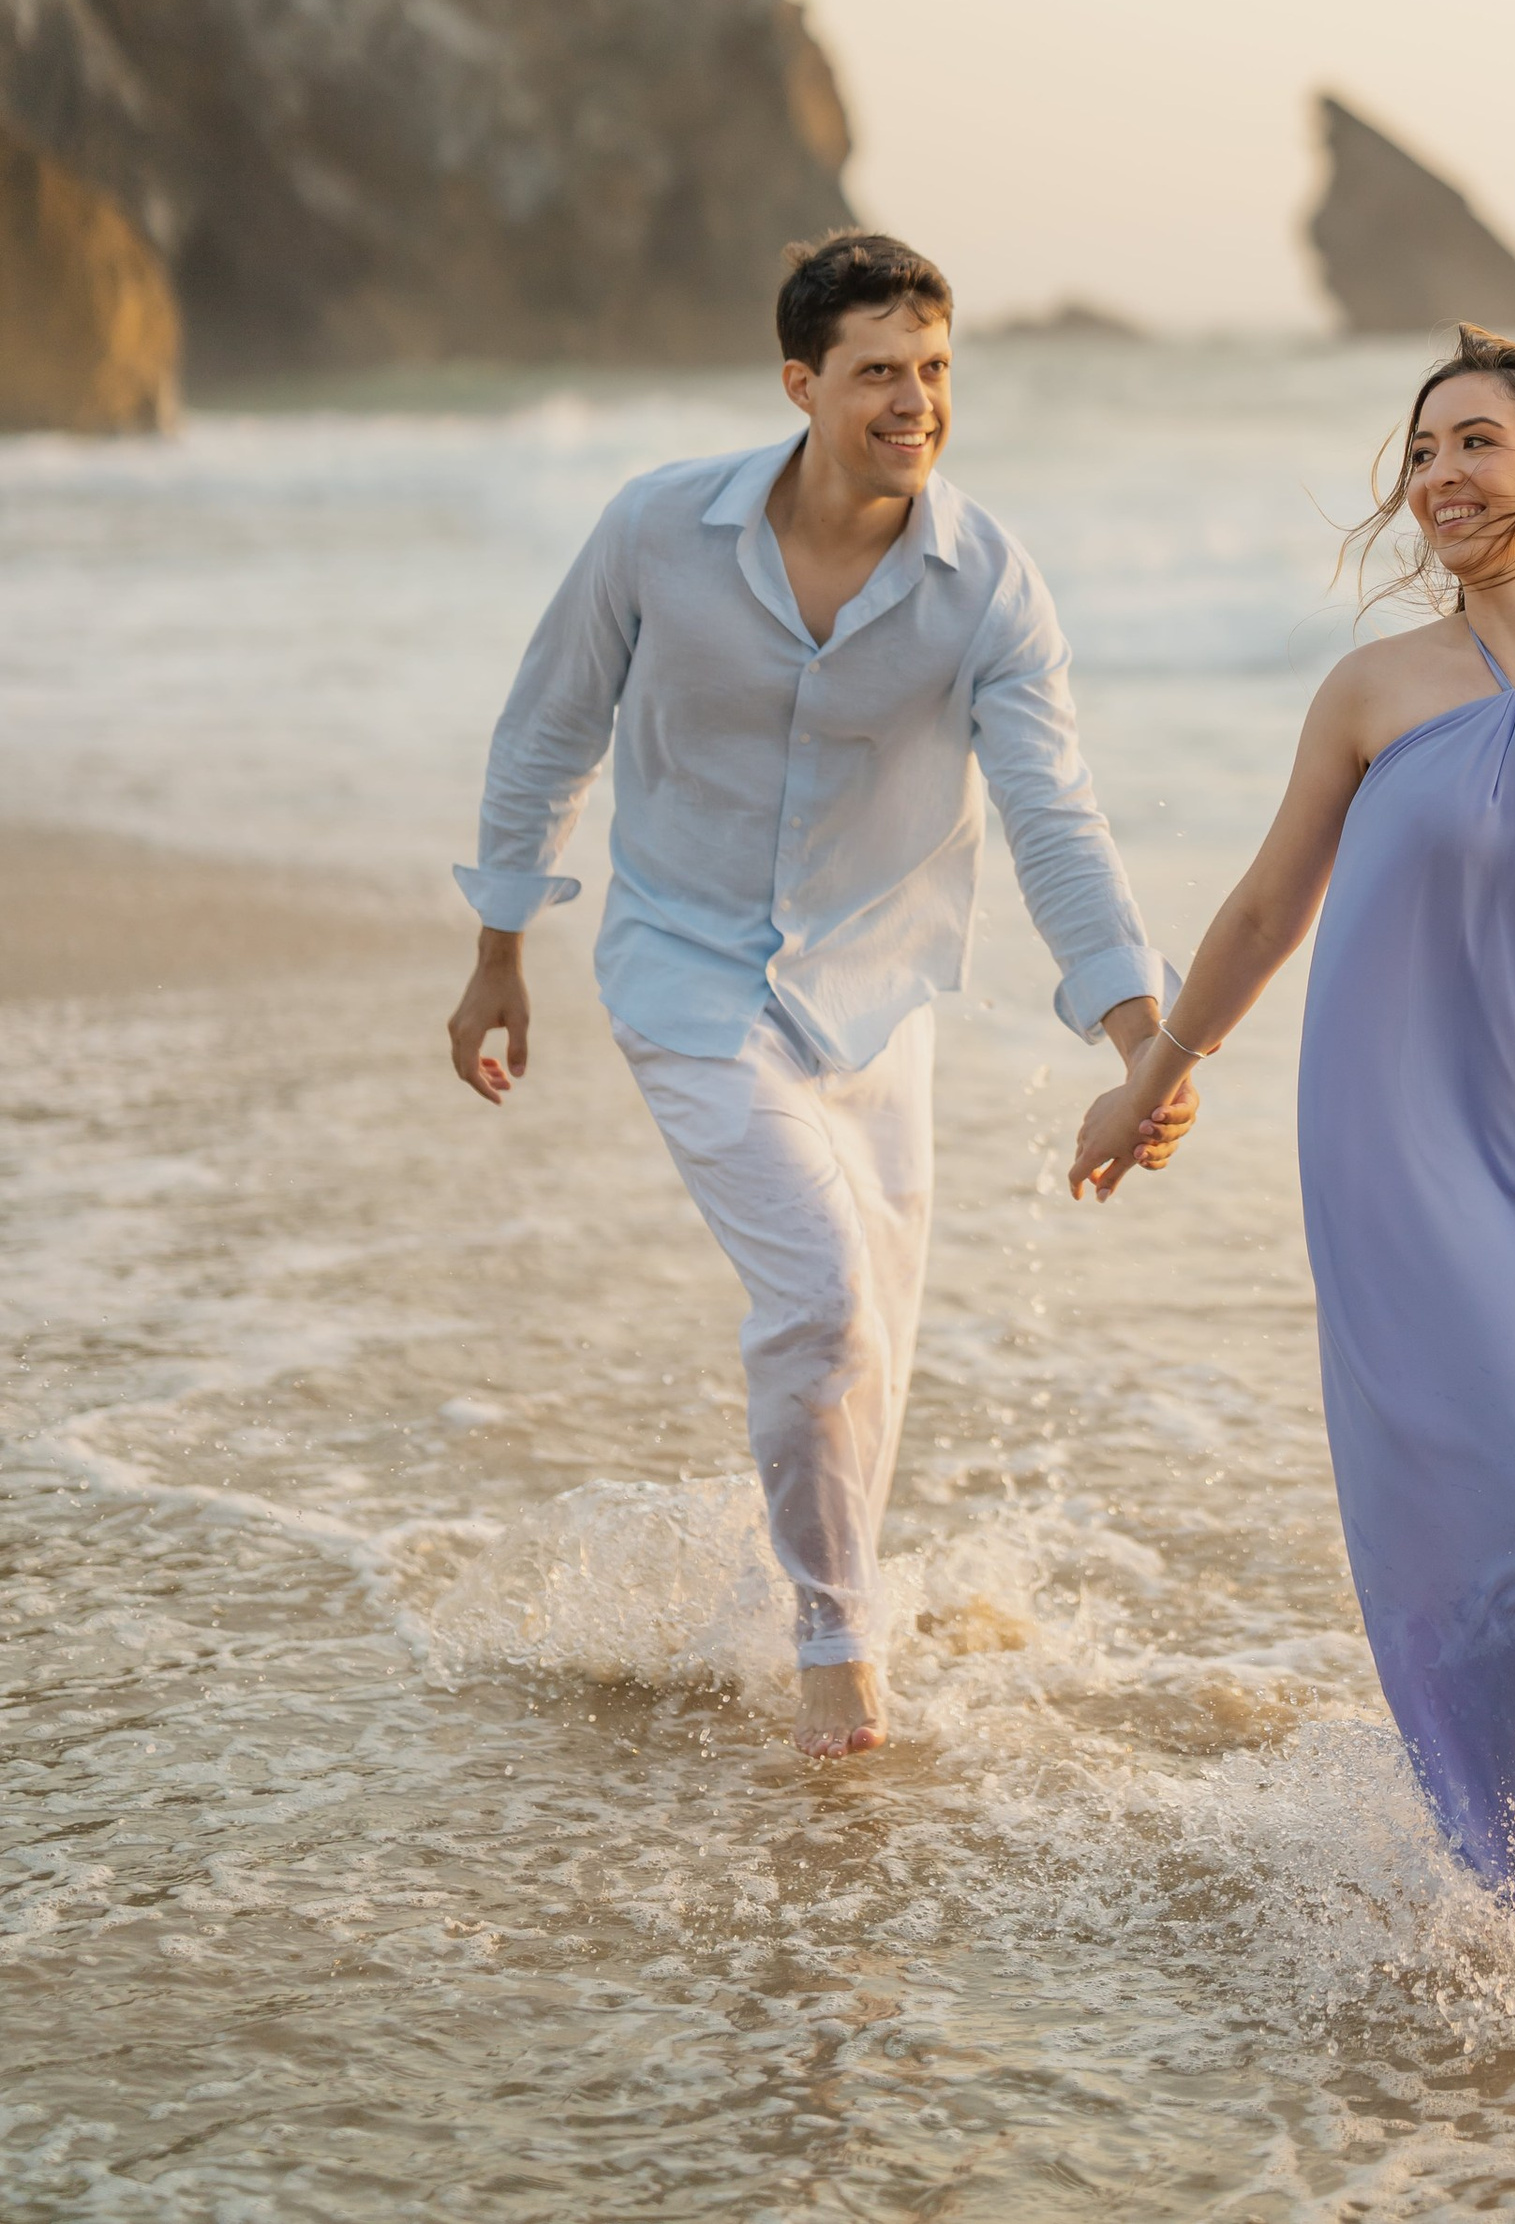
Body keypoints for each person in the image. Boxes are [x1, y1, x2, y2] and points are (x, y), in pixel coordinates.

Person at [444, 229, 1191, 1759]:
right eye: (878, 373)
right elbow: (548, 729)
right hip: (685, 965)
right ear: (800, 383)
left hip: (877, 996)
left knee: (876, 1348)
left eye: (934, 370)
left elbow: (1054, 813)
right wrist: (501, 946)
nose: (915, 402)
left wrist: (1143, 1037)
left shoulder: (989, 583)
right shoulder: (657, 528)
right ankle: (836, 1653)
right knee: (822, 1295)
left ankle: (797, 1584)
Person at [1070, 326, 1515, 1888]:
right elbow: (1267, 906)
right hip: (1410, 1150)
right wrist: (1154, 1071)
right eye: (1419, 453)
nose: (1438, 478)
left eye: (1473, 443)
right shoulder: (1372, 688)